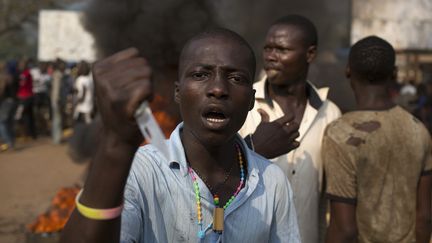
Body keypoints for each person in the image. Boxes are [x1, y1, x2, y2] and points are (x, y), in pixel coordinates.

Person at [60, 28, 300, 243]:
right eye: (200, 75)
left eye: (236, 78)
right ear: (178, 93)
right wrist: (116, 144)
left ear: (250, 99)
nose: (218, 89)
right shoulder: (139, 171)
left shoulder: (272, 182)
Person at [239, 14, 341, 243]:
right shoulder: (244, 103)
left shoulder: (330, 113)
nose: (270, 57)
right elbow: (215, 173)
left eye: (281, 50)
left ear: (310, 54)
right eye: (267, 49)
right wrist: (253, 149)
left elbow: (331, 196)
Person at [323, 36, 432, 243]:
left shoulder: (340, 134)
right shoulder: (418, 130)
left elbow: (343, 229)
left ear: (348, 71)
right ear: (395, 74)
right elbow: (425, 217)